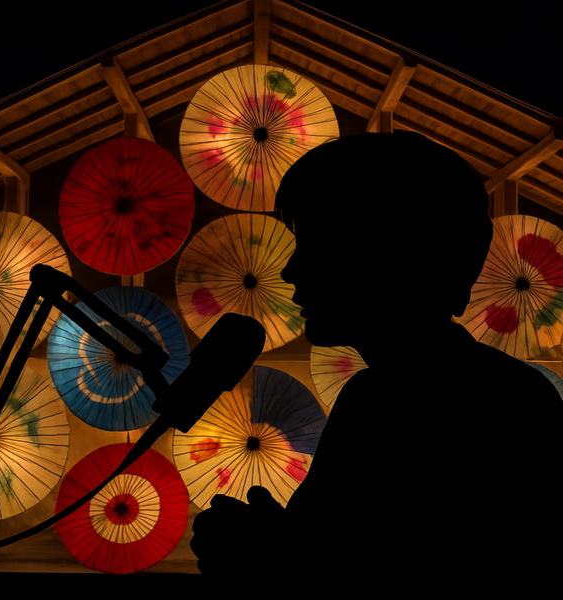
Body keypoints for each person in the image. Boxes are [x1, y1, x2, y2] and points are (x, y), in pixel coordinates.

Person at [190, 132, 563, 593]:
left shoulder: (477, 404)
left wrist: (269, 552)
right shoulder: (485, 392)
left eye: (314, 243)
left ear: (381, 254)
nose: (290, 270)